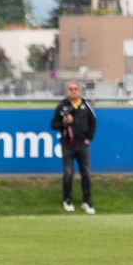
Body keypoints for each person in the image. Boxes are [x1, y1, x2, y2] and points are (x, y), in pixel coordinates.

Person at [51, 81, 97, 214]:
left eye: (75, 89)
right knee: (68, 173)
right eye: (70, 89)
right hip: (67, 144)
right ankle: (67, 200)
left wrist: (89, 138)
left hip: (83, 144)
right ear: (67, 91)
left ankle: (87, 201)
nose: (73, 91)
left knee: (86, 173)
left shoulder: (86, 105)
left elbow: (93, 123)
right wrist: (64, 123)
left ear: (79, 91)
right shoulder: (62, 106)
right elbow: (53, 125)